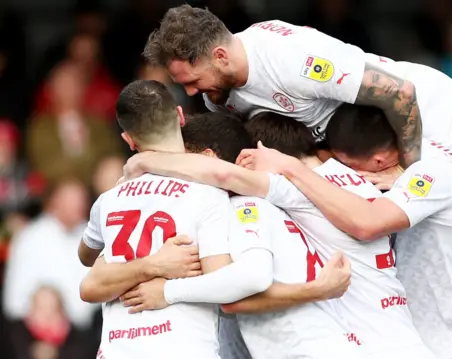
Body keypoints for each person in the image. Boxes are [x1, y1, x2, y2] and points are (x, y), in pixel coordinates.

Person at [141, 6, 452, 352]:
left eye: (191, 79)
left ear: (221, 56)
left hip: (422, 114)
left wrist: (411, 175)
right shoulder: (218, 93)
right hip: (359, 149)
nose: (192, 91)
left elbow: (397, 94)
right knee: (406, 243)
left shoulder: (288, 59)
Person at [125, 112, 452, 358]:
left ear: (263, 153)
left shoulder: (282, 196)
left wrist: (145, 160)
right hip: (406, 342)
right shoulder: (368, 184)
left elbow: (228, 177)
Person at [118, 111, 361, 359]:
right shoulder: (259, 203)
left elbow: (250, 281)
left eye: (181, 162)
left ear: (206, 160)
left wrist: (168, 291)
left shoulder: (244, 207)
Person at [77, 79, 235, 359]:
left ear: (129, 140)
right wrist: (161, 274)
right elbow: (225, 285)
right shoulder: (208, 194)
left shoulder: (110, 198)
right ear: (180, 116)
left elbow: (86, 255)